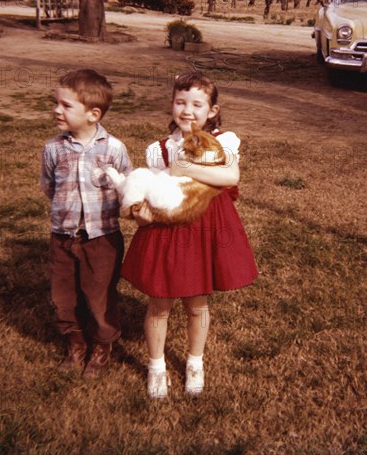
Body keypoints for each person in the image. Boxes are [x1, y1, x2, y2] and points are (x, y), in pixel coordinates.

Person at [121, 71, 258, 399]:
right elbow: (149, 189)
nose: (187, 110)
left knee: (197, 301)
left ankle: (195, 361)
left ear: (212, 110)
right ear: (172, 105)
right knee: (160, 301)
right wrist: (138, 213)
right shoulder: (158, 149)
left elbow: (229, 175)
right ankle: (156, 366)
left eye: (197, 104)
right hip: (166, 228)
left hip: (207, 226)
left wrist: (183, 169)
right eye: (180, 102)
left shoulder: (224, 141)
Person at [40, 69, 131, 378]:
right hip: (63, 237)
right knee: (63, 295)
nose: (56, 110)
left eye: (66, 105)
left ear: (94, 114)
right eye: (56, 103)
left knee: (99, 295)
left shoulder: (114, 149)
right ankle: (75, 342)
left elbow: (126, 188)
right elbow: (49, 186)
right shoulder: (53, 148)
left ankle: (102, 346)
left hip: (102, 238)